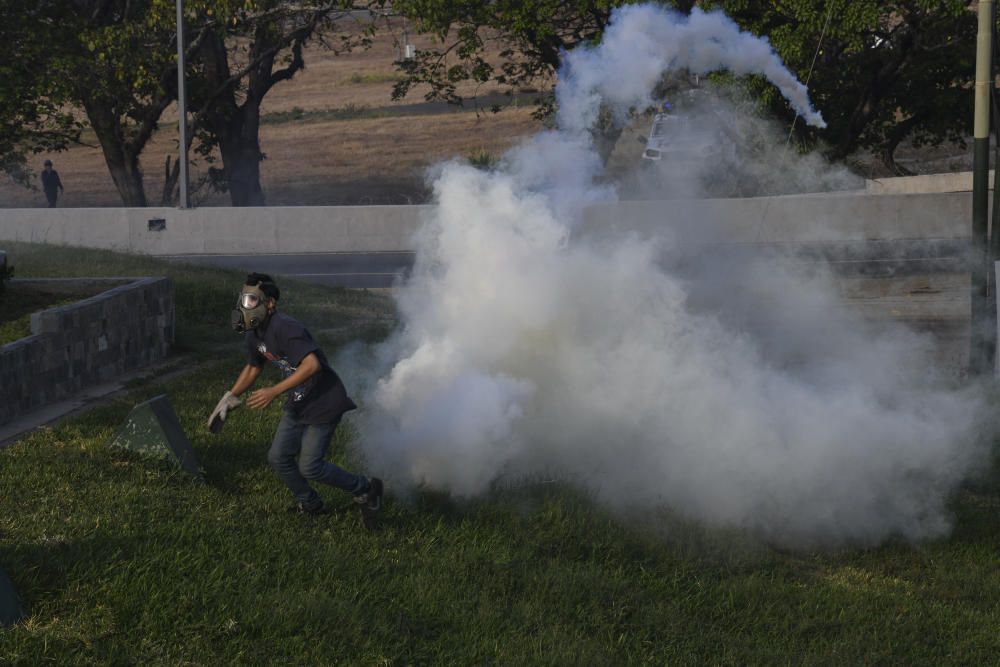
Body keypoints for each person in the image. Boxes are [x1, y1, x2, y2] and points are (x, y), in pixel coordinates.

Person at [208, 272, 383, 523]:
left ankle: (366, 488)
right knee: (278, 458)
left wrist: (273, 391)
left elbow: (312, 365)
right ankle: (311, 505)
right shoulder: (254, 333)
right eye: (243, 300)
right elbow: (253, 366)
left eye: (251, 301)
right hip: (300, 401)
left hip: (324, 401)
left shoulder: (286, 327)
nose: (244, 307)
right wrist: (231, 396)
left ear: (270, 304)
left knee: (310, 466)